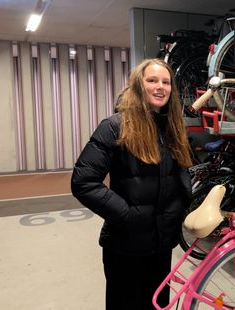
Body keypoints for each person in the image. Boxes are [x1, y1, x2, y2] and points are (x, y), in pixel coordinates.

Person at [71, 58, 192, 310]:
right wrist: (127, 215)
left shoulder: (172, 128)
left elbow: (179, 176)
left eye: (166, 82)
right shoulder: (115, 126)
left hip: (162, 244)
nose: (160, 87)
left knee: (158, 305)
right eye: (152, 80)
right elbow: (84, 181)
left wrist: (182, 209)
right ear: (138, 85)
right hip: (126, 246)